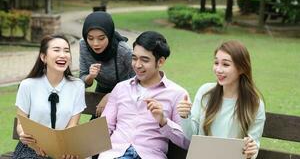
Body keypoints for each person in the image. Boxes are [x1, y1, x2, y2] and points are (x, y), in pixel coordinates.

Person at [98, 31, 190, 159]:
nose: (137, 65)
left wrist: (163, 121)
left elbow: (186, 142)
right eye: (134, 58)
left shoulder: (177, 94)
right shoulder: (120, 89)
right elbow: (104, 129)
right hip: (114, 154)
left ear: (160, 62)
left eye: (144, 60)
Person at [177, 40, 266, 159]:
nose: (218, 69)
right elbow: (191, 135)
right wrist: (185, 116)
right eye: (216, 63)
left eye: (225, 64)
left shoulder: (254, 104)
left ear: (242, 68)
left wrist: (251, 151)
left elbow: (253, 145)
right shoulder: (205, 93)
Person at [12, 34, 86, 159]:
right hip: (33, 147)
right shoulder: (27, 85)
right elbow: (20, 124)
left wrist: (66, 149)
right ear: (43, 57)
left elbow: (73, 125)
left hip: (64, 149)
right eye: (56, 50)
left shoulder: (77, 86)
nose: (63, 55)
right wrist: (24, 135)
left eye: (66, 51)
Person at [79, 11, 134, 117]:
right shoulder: (84, 45)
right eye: (90, 38)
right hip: (102, 89)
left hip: (126, 93)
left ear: (109, 35)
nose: (95, 43)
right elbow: (82, 79)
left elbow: (138, 81)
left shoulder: (123, 50)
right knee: (96, 129)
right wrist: (90, 77)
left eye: (101, 38)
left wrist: (112, 96)